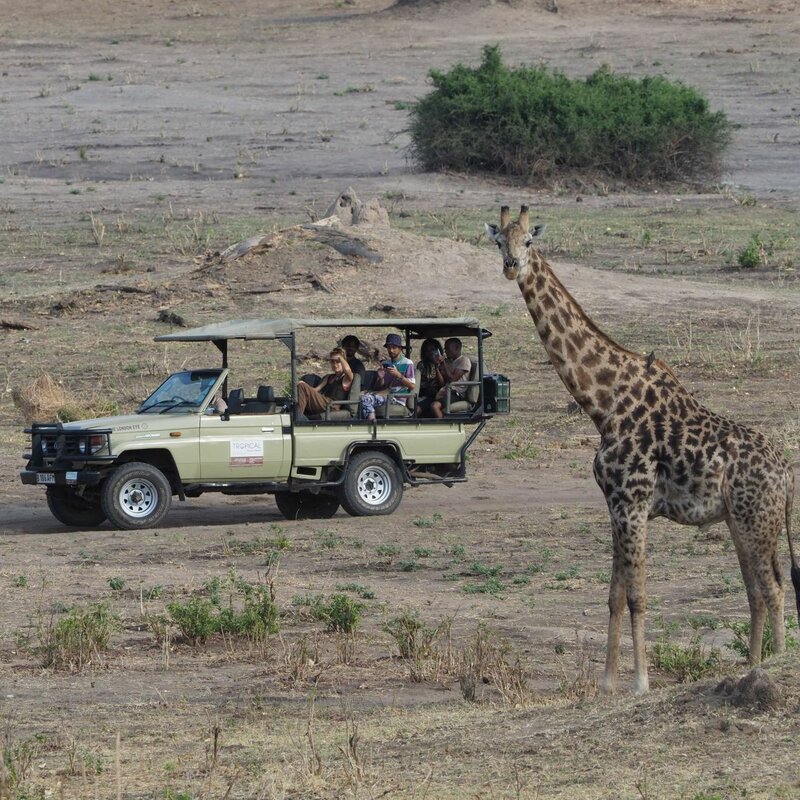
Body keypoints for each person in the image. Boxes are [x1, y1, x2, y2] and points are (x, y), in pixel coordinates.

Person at [359, 333, 416, 420]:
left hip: (397, 398)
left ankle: (372, 424)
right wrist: (380, 378)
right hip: (384, 394)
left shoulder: (407, 363)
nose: (391, 350)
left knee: (366, 399)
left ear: (400, 348)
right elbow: (378, 387)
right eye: (389, 347)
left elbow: (412, 386)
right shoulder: (386, 364)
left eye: (394, 347)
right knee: (360, 397)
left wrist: (398, 375)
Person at [296, 348, 354, 417]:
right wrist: (304, 385)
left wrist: (340, 357)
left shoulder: (346, 378)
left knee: (302, 386)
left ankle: (298, 418)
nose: (335, 365)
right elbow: (315, 390)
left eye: (338, 361)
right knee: (302, 386)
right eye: (332, 361)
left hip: (333, 405)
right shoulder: (329, 377)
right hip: (325, 402)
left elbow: (347, 370)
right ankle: (297, 414)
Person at [429, 337, 471, 419]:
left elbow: (452, 379)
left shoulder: (464, 361)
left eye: (447, 348)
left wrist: (443, 362)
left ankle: (443, 428)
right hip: (446, 390)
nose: (446, 351)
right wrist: (437, 366)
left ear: (457, 348)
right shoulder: (450, 361)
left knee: (435, 406)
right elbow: (442, 382)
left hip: (456, 393)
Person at [415, 337, 443, 417]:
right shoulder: (422, 364)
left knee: (418, 408)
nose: (430, 352)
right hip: (423, 392)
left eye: (433, 349)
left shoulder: (442, 364)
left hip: (436, 393)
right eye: (427, 350)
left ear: (438, 350)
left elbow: (441, 383)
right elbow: (419, 381)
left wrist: (437, 365)